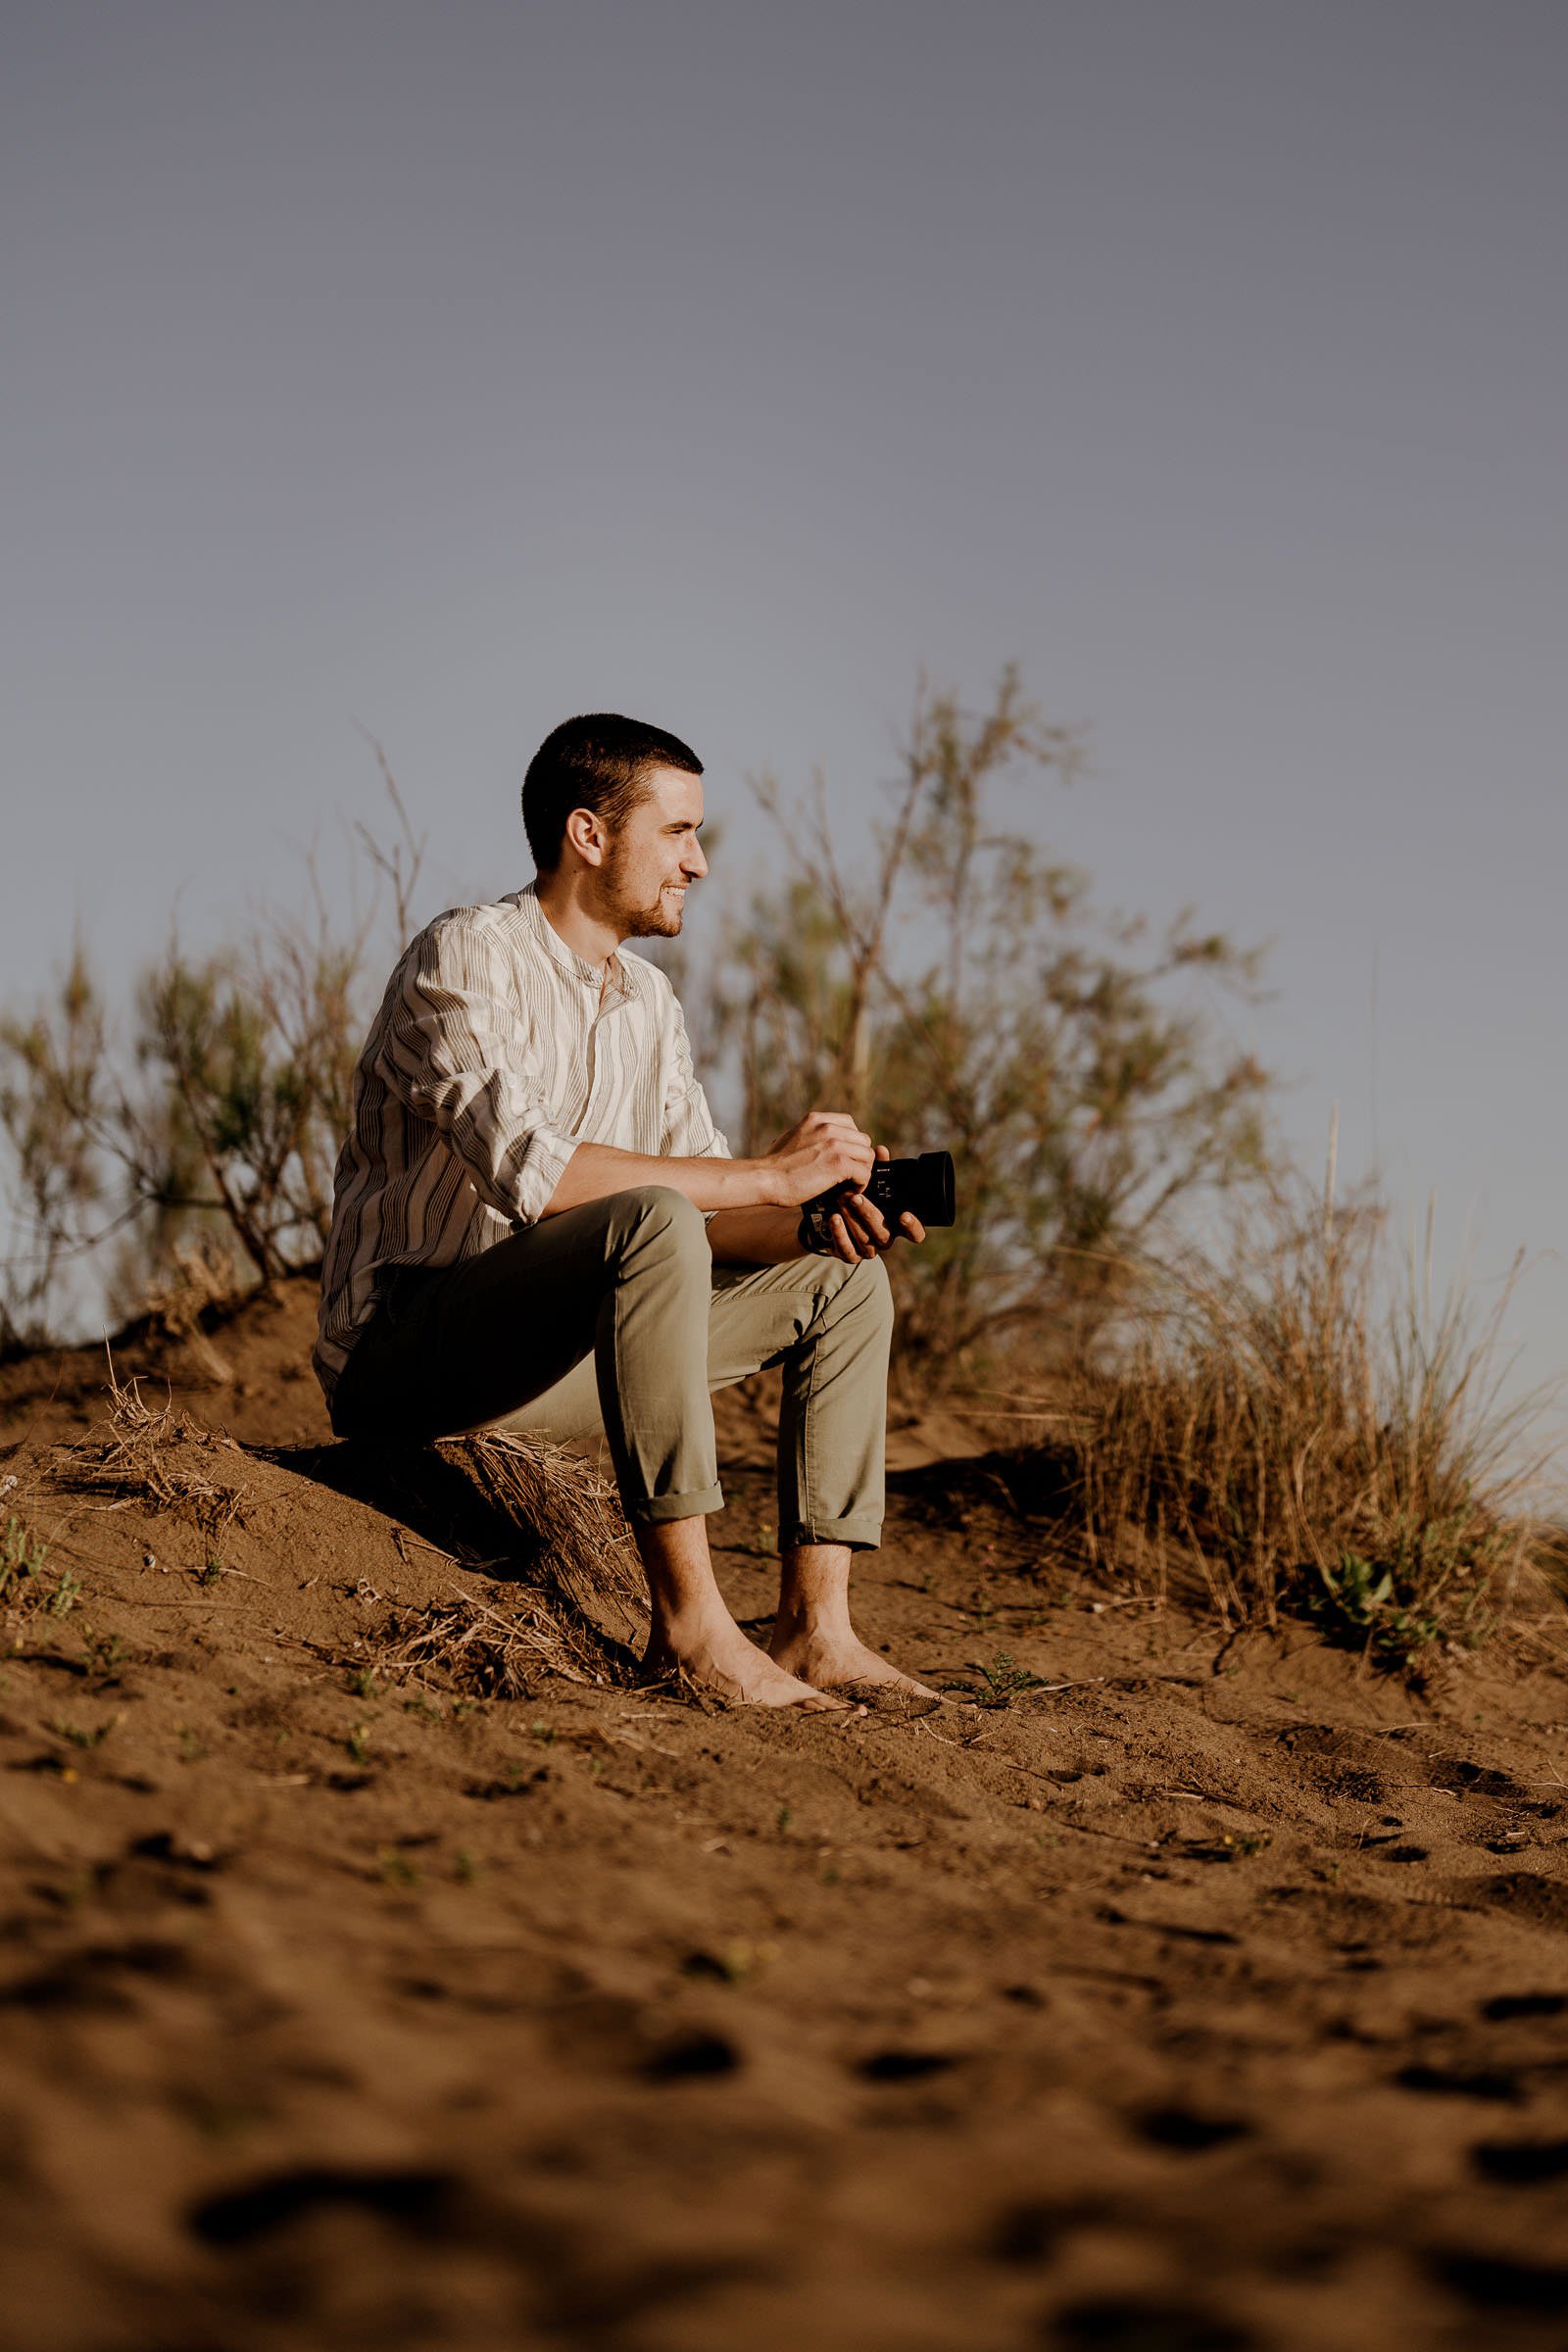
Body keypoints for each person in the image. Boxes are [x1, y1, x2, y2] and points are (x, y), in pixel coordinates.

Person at [314, 712, 932, 1710]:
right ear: (588, 835)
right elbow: (541, 1176)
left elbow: (713, 1206)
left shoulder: (649, 1005)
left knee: (839, 1283)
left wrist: (813, 1216)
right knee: (650, 1217)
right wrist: (768, 1175)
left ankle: (817, 1632)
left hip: (547, 1369)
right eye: (679, 833)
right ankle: (688, 1630)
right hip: (407, 1358)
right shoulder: (464, 956)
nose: (699, 864)